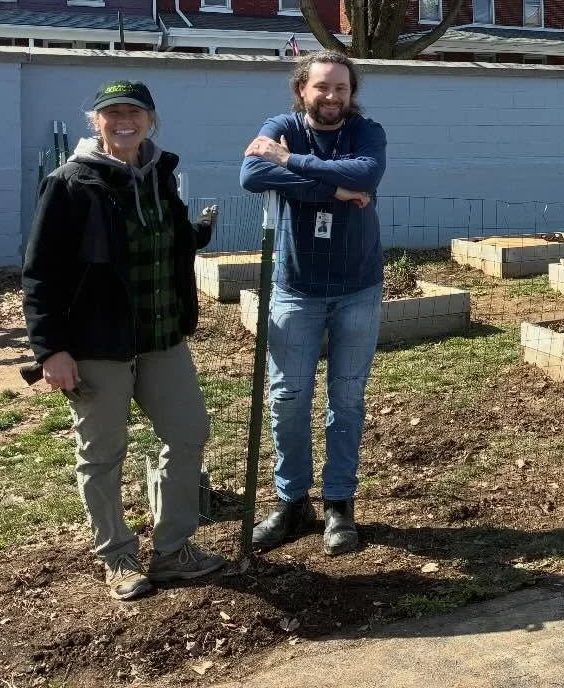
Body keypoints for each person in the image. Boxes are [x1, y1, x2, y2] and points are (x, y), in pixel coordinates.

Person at [23, 79, 224, 601]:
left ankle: (173, 549)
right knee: (102, 452)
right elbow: (40, 273)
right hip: (96, 345)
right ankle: (117, 556)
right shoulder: (70, 183)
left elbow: (166, 241)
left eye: (134, 110)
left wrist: (198, 232)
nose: (123, 120)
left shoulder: (162, 175)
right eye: (111, 112)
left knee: (187, 434)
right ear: (97, 123)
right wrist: (51, 350)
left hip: (162, 338)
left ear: (151, 120)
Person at [239, 51, 386, 555]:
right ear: (303, 89)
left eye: (341, 88)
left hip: (357, 288)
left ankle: (339, 504)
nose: (332, 97)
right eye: (322, 87)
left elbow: (366, 173)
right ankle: (291, 500)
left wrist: (288, 161)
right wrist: (335, 189)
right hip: (296, 289)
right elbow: (251, 177)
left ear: (351, 93)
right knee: (288, 398)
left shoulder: (366, 131)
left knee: (346, 398)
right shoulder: (282, 124)